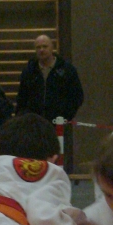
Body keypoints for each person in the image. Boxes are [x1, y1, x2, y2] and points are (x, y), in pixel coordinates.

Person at [15, 34, 84, 172]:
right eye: (38, 47)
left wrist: (66, 116)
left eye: (44, 46)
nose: (41, 50)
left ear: (52, 48)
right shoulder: (29, 71)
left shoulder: (67, 70)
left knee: (58, 158)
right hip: (35, 124)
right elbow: (21, 98)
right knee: (34, 160)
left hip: (58, 124)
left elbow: (77, 96)